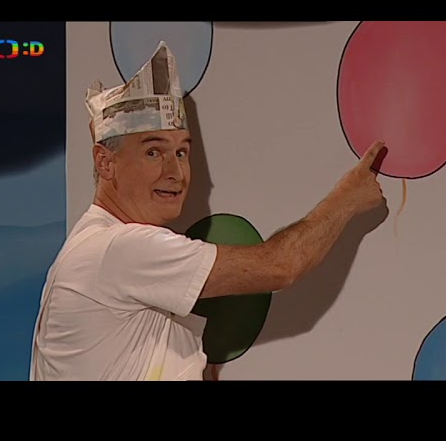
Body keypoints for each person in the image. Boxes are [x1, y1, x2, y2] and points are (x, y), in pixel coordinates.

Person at [29, 41, 386, 381]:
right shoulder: (121, 249)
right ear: (105, 163)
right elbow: (280, 266)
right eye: (153, 152)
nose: (175, 172)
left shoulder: (95, 245)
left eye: (181, 153)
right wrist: (349, 197)